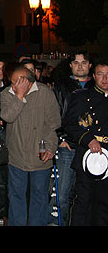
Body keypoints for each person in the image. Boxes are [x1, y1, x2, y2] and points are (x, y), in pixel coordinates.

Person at [0, 64, 61, 226]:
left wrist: (50, 147)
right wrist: (19, 96)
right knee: (16, 196)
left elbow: (53, 124)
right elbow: (7, 116)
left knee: (39, 196)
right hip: (16, 157)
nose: (12, 86)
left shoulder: (45, 93)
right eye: (11, 82)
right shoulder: (8, 94)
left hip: (40, 157)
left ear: (27, 81)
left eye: (16, 82)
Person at [63, 58, 108, 225]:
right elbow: (69, 124)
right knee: (84, 202)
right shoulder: (81, 98)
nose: (105, 79)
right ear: (94, 76)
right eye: (101, 74)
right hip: (88, 157)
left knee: (104, 204)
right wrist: (88, 140)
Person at [50, 51, 93, 225]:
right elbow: (53, 112)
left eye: (84, 62)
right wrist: (60, 138)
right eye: (76, 62)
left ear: (90, 65)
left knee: (87, 194)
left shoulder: (98, 85)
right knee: (62, 193)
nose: (80, 66)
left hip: (91, 146)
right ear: (70, 65)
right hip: (67, 146)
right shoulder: (61, 85)